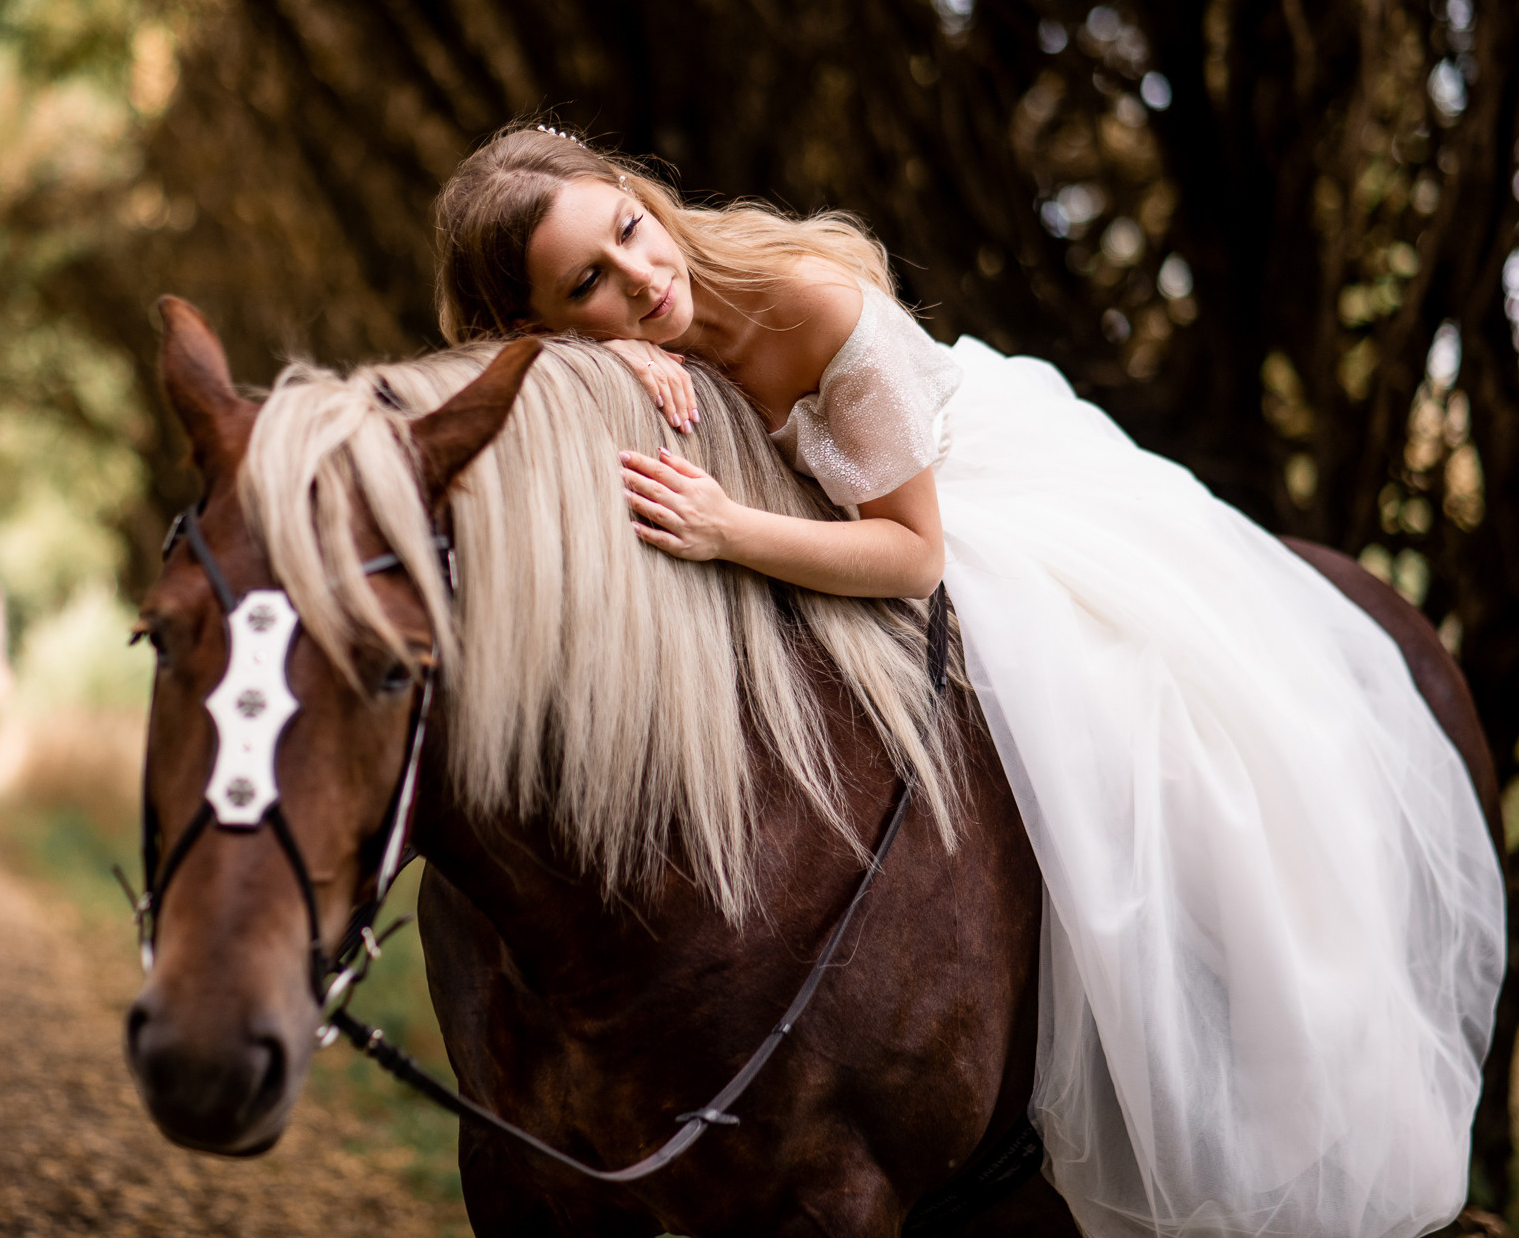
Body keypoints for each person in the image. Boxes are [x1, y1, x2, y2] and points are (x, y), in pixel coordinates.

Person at [429, 121, 1505, 1238]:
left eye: (629, 228)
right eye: (587, 282)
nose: (643, 277)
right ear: (536, 325)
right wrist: (590, 364)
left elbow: (912, 555)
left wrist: (726, 531)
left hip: (933, 521)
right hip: (799, 535)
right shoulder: (597, 359)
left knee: (1120, 722)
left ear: (645, 197)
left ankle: (1221, 1029)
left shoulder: (804, 302)